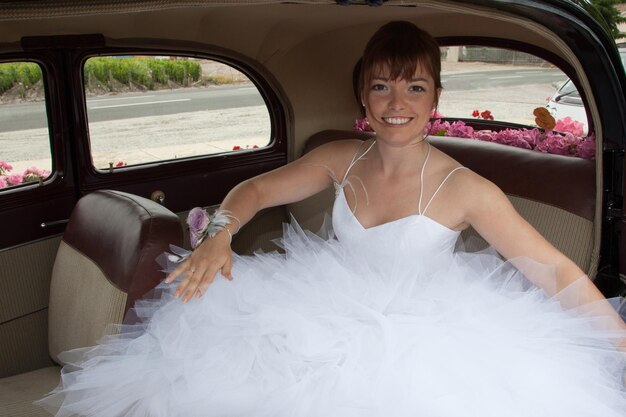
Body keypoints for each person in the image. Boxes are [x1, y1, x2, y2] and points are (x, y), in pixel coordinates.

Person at [38, 21, 625, 417]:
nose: (398, 103)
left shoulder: (466, 189)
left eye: (415, 87)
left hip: (421, 337)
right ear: (364, 99)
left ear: (434, 99)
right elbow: (256, 188)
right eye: (382, 86)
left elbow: (550, 270)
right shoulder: (341, 159)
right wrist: (219, 235)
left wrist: (620, 342)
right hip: (316, 314)